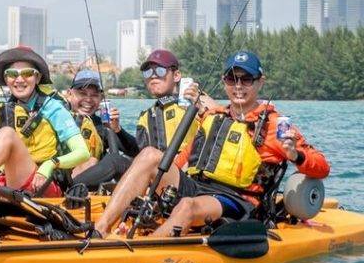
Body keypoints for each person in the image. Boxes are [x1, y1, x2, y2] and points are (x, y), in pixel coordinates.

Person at [93, 51, 330, 237]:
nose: (238, 86)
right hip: (197, 187)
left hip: (236, 200)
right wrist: (147, 188)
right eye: (231, 78)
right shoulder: (213, 116)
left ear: (259, 82)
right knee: (149, 155)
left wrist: (295, 156)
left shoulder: (273, 125)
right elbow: (181, 160)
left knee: (187, 206)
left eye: (246, 79)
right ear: (224, 81)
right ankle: (100, 231)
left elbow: (322, 166)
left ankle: (146, 252)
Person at [0, 46, 90, 198]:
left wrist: (49, 164)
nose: (19, 79)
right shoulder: (2, 111)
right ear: (6, 79)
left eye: (27, 73)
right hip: (10, 181)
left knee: (7, 134)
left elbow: (83, 153)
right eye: (12, 74)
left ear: (37, 78)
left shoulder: (53, 107)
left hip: (44, 186)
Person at [65, 69, 137, 191]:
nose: (88, 99)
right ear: (69, 94)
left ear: (101, 98)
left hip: (89, 186)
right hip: (61, 180)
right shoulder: (57, 118)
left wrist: (117, 129)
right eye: (82, 93)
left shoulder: (102, 126)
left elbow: (136, 151)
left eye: (94, 95)